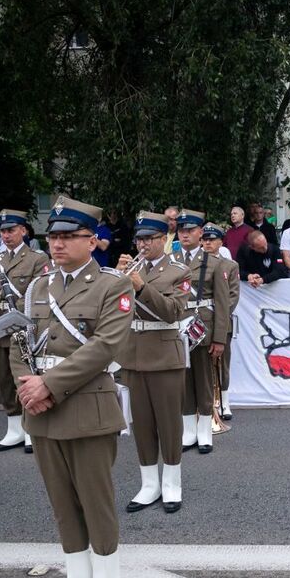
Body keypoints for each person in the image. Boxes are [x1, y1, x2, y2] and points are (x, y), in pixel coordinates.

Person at [10, 196, 131, 578]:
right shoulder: (38, 287)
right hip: (41, 408)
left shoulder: (112, 285)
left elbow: (106, 347)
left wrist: (50, 385)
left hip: (87, 407)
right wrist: (29, 386)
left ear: (92, 240)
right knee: (62, 501)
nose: (57, 245)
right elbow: (19, 340)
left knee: (95, 500)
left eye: (67, 237)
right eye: (53, 237)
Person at [116, 211, 189, 514]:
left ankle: (172, 482)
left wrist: (140, 286)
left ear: (163, 239)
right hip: (133, 354)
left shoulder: (178, 271)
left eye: (150, 238)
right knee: (142, 423)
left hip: (164, 354)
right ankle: (149, 483)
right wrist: (117, 281)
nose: (143, 244)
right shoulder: (128, 270)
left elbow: (173, 312)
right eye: (140, 239)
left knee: (168, 423)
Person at [0, 209, 50, 455]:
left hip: (24, 327)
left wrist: (22, 322)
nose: (6, 235)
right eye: (3, 231)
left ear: (23, 231)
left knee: (24, 378)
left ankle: (30, 428)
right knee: (4, 379)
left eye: (11, 230)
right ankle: (13, 428)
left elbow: (41, 294)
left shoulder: (36, 259)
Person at [173, 210, 230, 453]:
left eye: (190, 230)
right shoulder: (171, 260)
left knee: (204, 380)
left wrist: (219, 338)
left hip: (202, 327)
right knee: (184, 381)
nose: (185, 234)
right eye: (181, 230)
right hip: (177, 327)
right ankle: (189, 431)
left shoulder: (214, 263)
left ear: (200, 233)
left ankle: (205, 431)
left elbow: (223, 303)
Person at [200, 223, 240, 420]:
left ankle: (224, 401)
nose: (207, 243)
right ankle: (204, 404)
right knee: (201, 365)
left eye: (211, 239)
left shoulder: (230, 266)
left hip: (221, 321)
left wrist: (219, 316)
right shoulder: (196, 265)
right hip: (199, 323)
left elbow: (233, 296)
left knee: (222, 363)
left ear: (220, 242)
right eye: (204, 239)